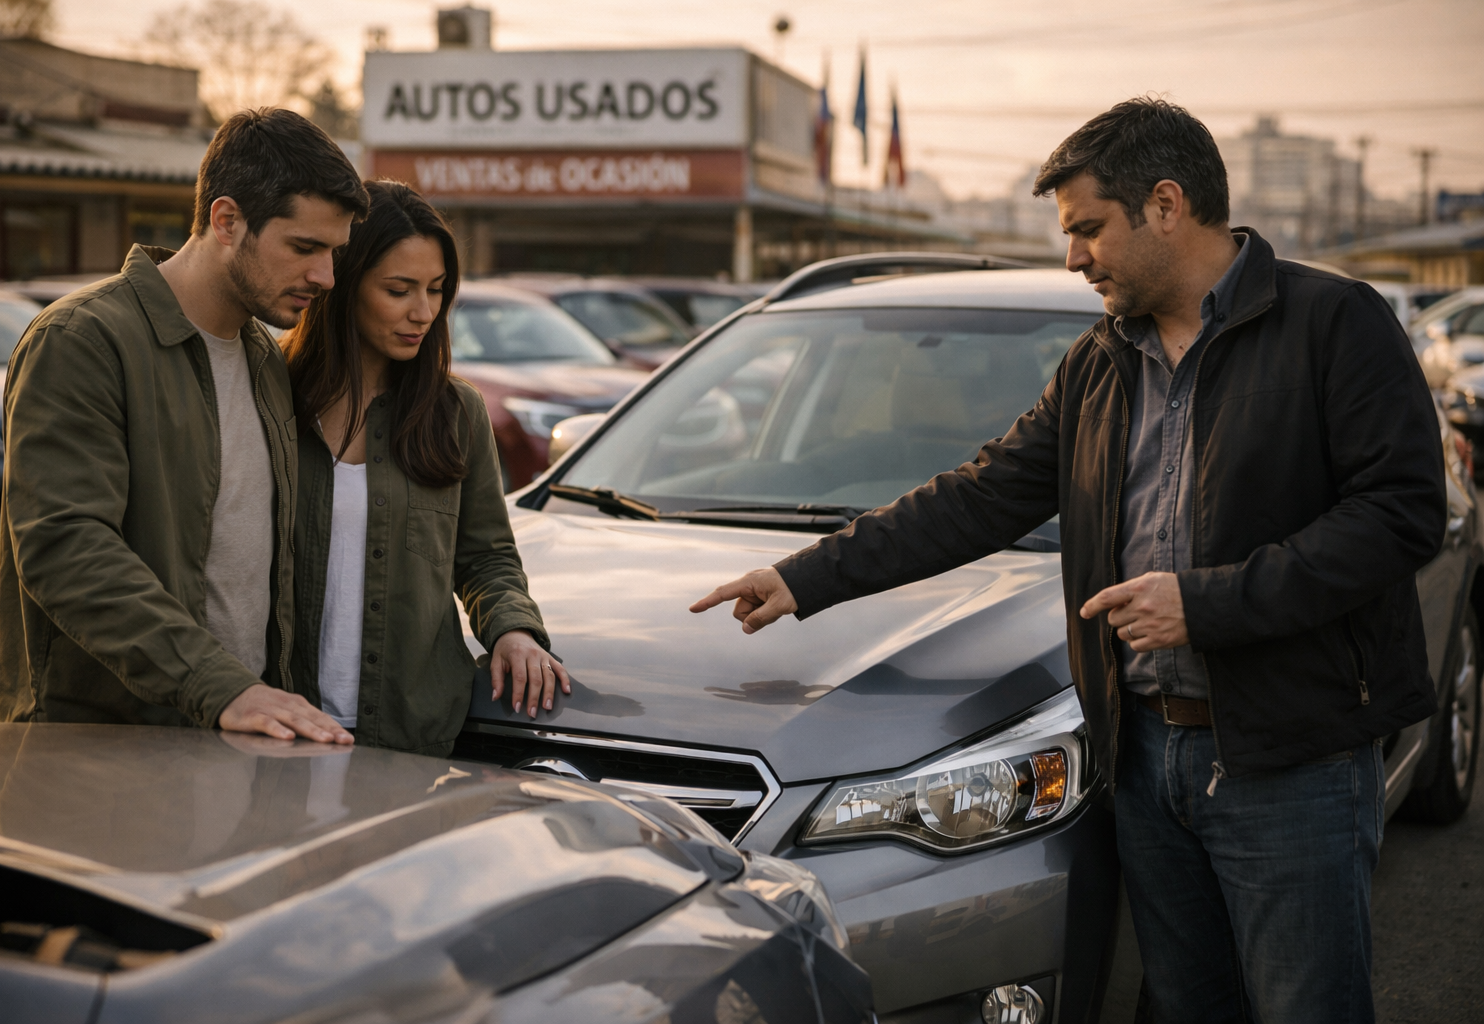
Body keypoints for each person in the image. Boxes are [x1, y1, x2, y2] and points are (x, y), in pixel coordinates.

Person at [691, 98, 1444, 1023]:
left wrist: (1208, 605)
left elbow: (1402, 514)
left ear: (1166, 205)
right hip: (1141, 756)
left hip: (1290, 765)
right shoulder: (1099, 363)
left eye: (1088, 229)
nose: (1073, 256)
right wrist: (805, 577)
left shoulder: (1333, 323)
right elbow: (979, 495)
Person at [0, 108, 367, 744]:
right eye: (304, 248)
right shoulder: (83, 340)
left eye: (333, 252)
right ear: (226, 221)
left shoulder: (262, 357)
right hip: (98, 764)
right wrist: (219, 686)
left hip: (237, 742)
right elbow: (65, 548)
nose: (325, 277)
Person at [281, 180, 566, 755]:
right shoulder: (272, 396)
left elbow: (485, 556)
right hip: (281, 723)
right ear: (343, 281)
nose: (423, 312)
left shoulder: (456, 412)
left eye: (437, 290)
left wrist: (513, 629)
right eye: (399, 289)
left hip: (410, 734)